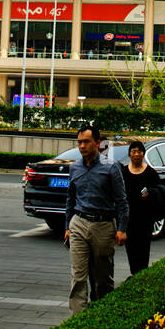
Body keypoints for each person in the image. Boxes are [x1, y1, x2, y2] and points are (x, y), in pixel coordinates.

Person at [64, 124, 128, 313]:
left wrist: (122, 228)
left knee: (103, 278)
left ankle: (101, 315)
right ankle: (78, 319)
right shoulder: (74, 168)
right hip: (79, 223)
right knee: (78, 276)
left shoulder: (111, 168)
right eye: (79, 142)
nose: (82, 146)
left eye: (86, 142)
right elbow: (71, 198)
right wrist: (68, 225)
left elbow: (121, 200)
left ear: (97, 143)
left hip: (103, 225)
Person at [120, 140, 162, 274]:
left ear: (143, 154)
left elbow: (159, 190)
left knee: (143, 248)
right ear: (129, 154)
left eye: (139, 152)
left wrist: (150, 192)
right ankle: (134, 273)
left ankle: (142, 273)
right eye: (133, 152)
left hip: (145, 218)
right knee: (131, 248)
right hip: (129, 218)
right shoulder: (124, 171)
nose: (136, 154)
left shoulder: (150, 173)